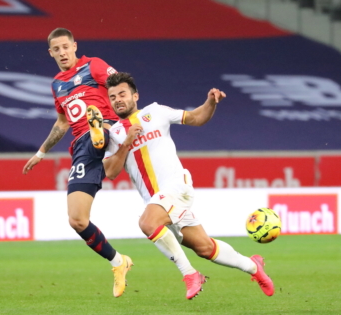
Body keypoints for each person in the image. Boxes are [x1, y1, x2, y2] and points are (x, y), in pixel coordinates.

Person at [102, 72, 274, 300]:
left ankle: (190, 274)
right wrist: (127, 142)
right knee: (205, 248)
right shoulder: (113, 135)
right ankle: (254, 267)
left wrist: (210, 103)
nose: (118, 100)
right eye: (113, 97)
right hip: (158, 203)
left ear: (135, 96)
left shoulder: (155, 112)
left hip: (176, 187)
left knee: (146, 222)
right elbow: (111, 172)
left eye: (122, 94)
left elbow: (196, 117)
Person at [22, 28, 132, 298]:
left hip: (113, 128)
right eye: (56, 49)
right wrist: (42, 152)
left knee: (100, 131)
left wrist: (131, 121)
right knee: (77, 220)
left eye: (65, 47)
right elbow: (62, 123)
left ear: (74, 46)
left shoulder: (93, 65)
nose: (61, 53)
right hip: (81, 146)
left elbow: (120, 88)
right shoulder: (57, 84)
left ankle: (100, 132)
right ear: (51, 53)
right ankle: (119, 262)